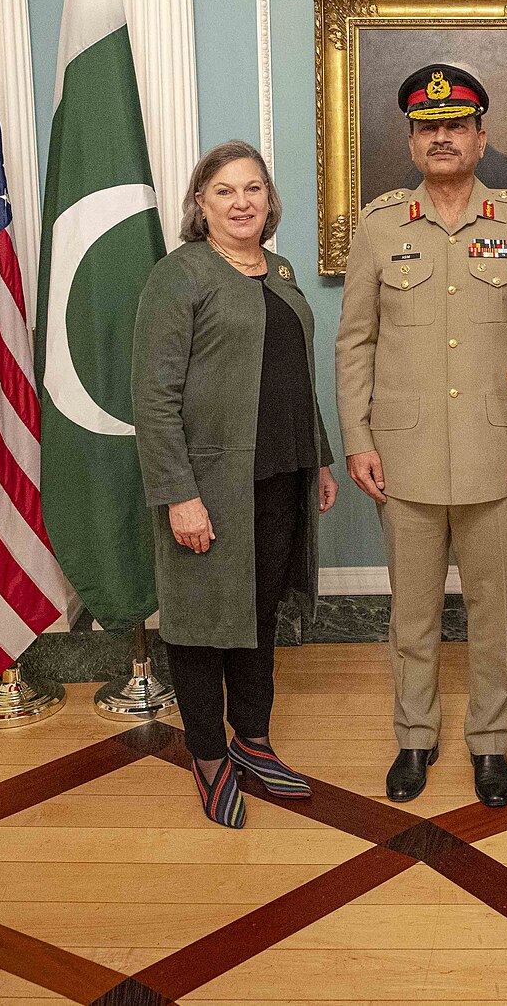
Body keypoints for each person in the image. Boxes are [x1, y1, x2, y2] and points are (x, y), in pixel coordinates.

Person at [336, 63, 507, 808]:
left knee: (496, 613)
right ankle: (415, 734)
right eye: (428, 127)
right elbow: (355, 345)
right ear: (411, 142)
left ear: (480, 136)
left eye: (455, 125)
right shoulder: (378, 227)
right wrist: (359, 437)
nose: (442, 137)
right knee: (412, 611)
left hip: (499, 455)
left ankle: (492, 744)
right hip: (401, 457)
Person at [133, 140, 340, 829]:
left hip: (281, 474)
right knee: (199, 624)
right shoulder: (179, 275)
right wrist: (178, 494)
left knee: (256, 615)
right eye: (225, 190)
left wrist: (323, 456)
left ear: (268, 199)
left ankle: (252, 737)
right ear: (201, 203)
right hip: (209, 484)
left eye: (253, 188)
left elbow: (294, 375)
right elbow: (154, 398)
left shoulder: (278, 270)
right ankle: (209, 753)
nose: (242, 201)